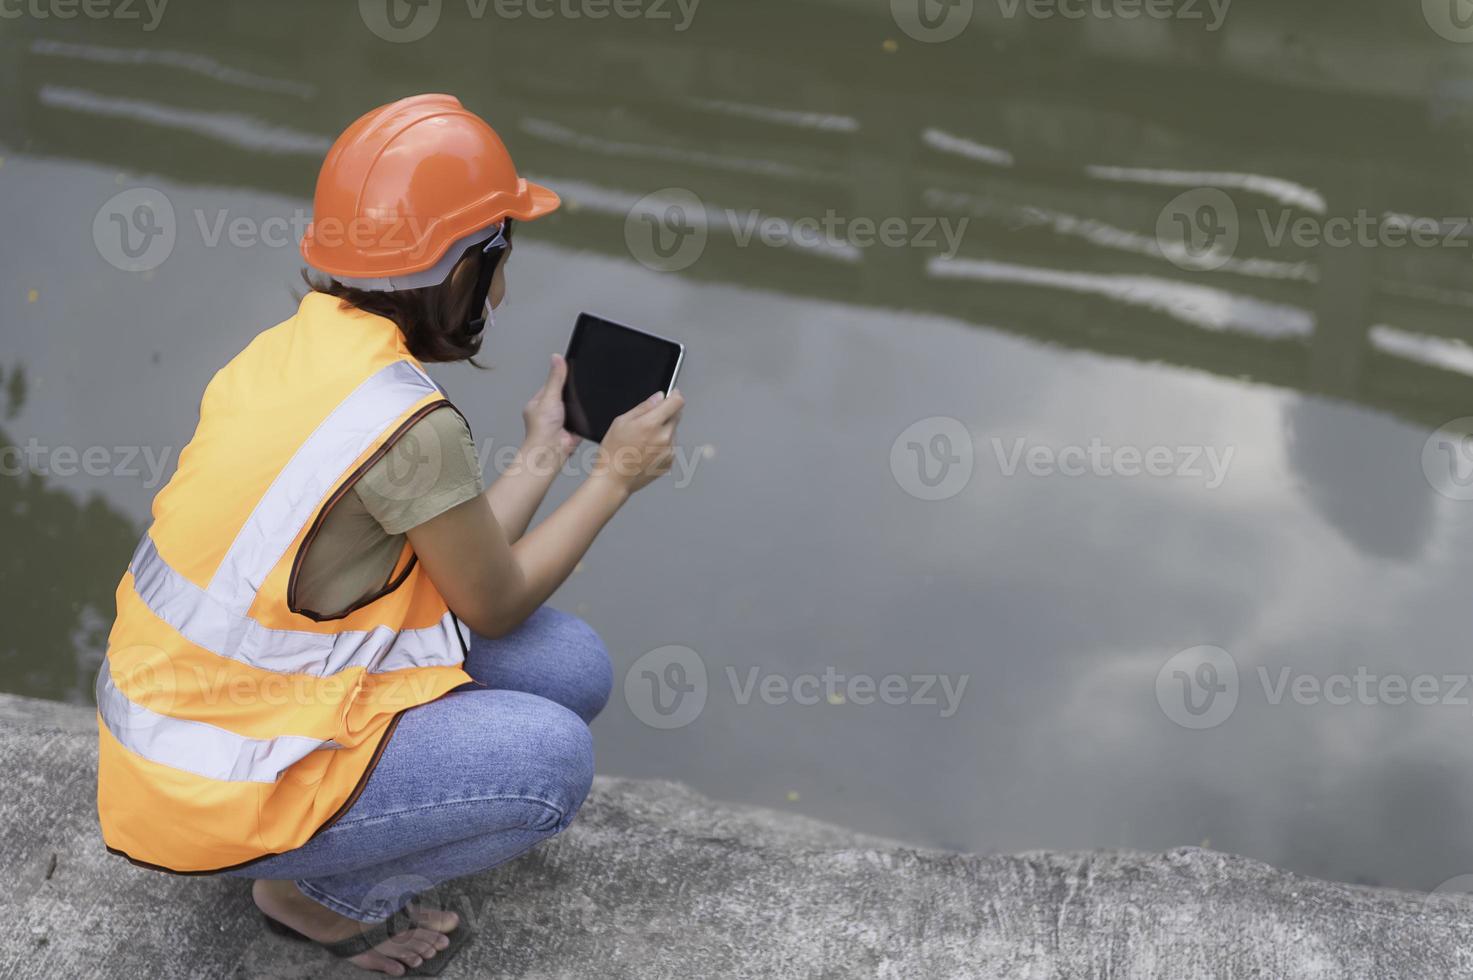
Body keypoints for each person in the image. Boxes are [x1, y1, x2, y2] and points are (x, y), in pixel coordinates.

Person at [94, 93, 685, 976]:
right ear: (459, 268)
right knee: (548, 765)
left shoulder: (299, 349)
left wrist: (544, 449)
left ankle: (322, 847)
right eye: (499, 262)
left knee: (570, 667)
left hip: (195, 713)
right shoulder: (405, 423)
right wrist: (613, 477)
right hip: (209, 783)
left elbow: (465, 569)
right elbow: (496, 601)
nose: (505, 289)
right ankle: (312, 898)